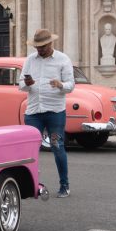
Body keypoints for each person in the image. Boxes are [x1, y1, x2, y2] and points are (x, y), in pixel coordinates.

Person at [19, 29, 74, 198]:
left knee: (57, 146)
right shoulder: (30, 60)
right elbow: (21, 85)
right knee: (30, 149)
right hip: (34, 111)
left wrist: (60, 85)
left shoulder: (63, 59)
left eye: (42, 46)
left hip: (55, 112)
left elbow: (71, 85)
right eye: (37, 47)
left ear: (50, 43)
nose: (40, 49)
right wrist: (27, 83)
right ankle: (31, 185)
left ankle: (64, 185)